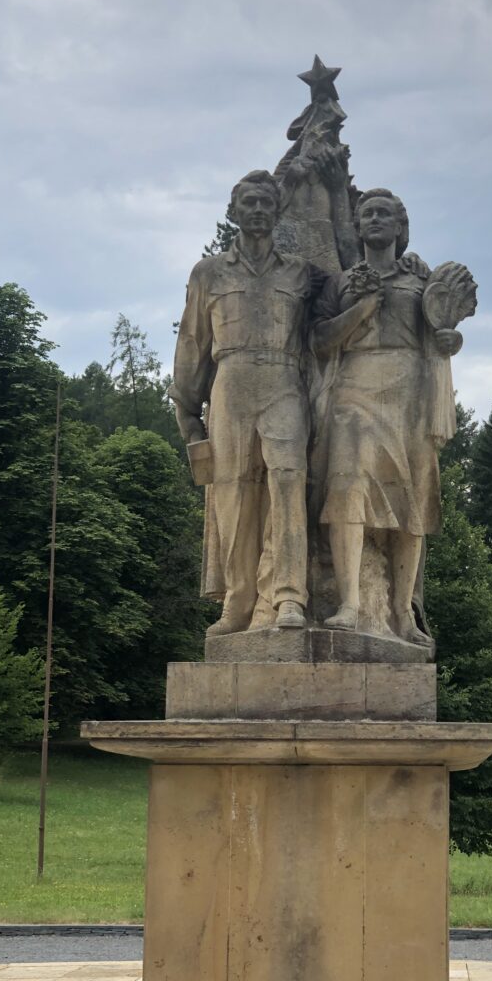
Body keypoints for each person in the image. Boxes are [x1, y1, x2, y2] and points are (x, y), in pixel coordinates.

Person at [311, 188, 464, 643]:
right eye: (367, 213)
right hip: (354, 391)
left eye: (385, 214)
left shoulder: (421, 281)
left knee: (414, 502)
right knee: (348, 490)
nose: (375, 219)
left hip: (411, 397)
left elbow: (441, 333)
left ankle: (401, 613)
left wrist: (450, 340)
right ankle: (350, 604)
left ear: (400, 226)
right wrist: (362, 306)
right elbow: (319, 341)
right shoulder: (340, 283)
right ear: (357, 227)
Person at [169, 170, 311, 635]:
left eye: (265, 203)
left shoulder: (300, 273)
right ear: (233, 212)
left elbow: (337, 309)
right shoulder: (208, 273)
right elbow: (192, 343)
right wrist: (188, 416)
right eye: (248, 202)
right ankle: (239, 599)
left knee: (288, 486)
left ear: (277, 210)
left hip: (284, 380)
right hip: (228, 385)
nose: (256, 210)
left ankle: (289, 596)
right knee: (232, 493)